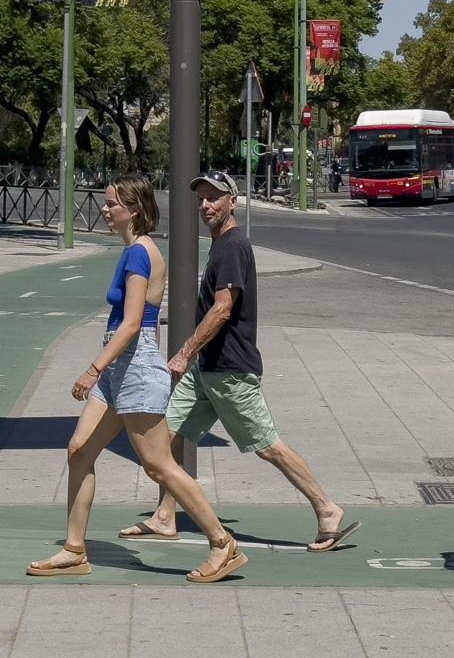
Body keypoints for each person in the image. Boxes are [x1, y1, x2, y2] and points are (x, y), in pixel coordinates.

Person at [119, 170, 360, 552]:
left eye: (214, 197)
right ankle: (165, 516)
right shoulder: (221, 244)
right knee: (170, 437)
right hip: (207, 370)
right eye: (201, 198)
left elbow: (223, 309)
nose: (206, 205)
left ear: (233, 201)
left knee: (267, 445)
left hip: (230, 369)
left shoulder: (232, 246)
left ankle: (326, 509)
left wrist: (183, 353)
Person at [27, 173, 246, 583]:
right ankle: (74, 550)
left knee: (158, 465)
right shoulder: (136, 251)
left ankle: (222, 543)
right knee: (79, 451)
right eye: (106, 202)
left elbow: (131, 325)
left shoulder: (140, 254)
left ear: (135, 209)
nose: (105, 209)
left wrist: (92, 370)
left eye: (112, 204)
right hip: (120, 366)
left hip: (133, 365)